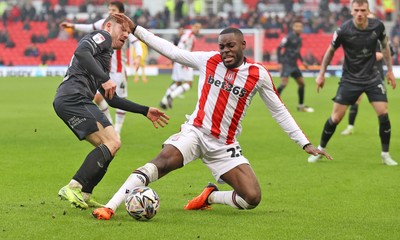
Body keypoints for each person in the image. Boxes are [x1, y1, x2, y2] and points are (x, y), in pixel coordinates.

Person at [92, 15, 332, 220]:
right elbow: (172, 51)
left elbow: (279, 110)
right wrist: (136, 30)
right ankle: (110, 207)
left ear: (243, 45)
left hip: (224, 145)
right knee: (161, 163)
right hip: (195, 133)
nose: (225, 51)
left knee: (252, 198)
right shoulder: (209, 60)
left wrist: (304, 142)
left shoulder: (258, 75)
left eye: (231, 46)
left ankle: (211, 196)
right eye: (222, 46)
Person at [53, 13, 169, 209]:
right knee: (112, 141)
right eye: (122, 29)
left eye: (128, 31)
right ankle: (74, 186)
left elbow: (111, 99)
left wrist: (144, 110)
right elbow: (82, 51)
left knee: (109, 146)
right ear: (108, 26)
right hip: (75, 97)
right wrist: (104, 78)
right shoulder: (102, 37)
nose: (126, 34)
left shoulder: (104, 57)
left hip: (69, 99)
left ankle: (85, 193)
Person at [307, 0, 397, 166]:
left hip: (372, 77)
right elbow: (330, 51)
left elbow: (385, 47)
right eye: (356, 10)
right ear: (351, 11)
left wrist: (390, 71)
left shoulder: (378, 26)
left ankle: (385, 155)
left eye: (363, 10)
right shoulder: (343, 30)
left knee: (383, 114)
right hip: (350, 79)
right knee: (336, 118)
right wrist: (321, 74)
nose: (360, 13)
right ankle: (320, 149)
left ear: (368, 10)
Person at [60, 1, 143, 137]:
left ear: (121, 12)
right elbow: (88, 27)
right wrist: (73, 26)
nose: (111, 11)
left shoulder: (126, 27)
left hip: (118, 70)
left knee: (118, 99)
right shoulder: (104, 24)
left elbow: (136, 43)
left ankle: (118, 130)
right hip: (103, 70)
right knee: (98, 97)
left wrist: (138, 57)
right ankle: (109, 124)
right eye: (109, 9)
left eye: (114, 9)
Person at [341, 13, 396, 135]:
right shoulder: (358, 36)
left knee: (381, 106)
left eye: (371, 19)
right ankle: (350, 127)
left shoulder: (381, 36)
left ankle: (382, 127)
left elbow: (390, 52)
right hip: (360, 74)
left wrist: (380, 55)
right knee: (355, 101)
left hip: (377, 74)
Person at [159, 22, 202, 110]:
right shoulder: (188, 35)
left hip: (179, 60)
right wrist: (178, 60)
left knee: (177, 82)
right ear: (192, 27)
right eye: (196, 27)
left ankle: (164, 101)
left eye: (199, 28)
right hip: (184, 61)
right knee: (189, 84)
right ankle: (171, 96)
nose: (198, 30)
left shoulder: (190, 36)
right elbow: (180, 46)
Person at [276, 19, 314, 113]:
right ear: (293, 27)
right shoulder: (288, 37)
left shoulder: (299, 39)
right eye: (297, 26)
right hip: (287, 63)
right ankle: (274, 105)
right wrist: (280, 62)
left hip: (294, 65)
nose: (299, 28)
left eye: (300, 26)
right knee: (284, 84)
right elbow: (279, 48)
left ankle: (301, 106)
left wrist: (302, 61)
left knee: (302, 83)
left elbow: (297, 52)